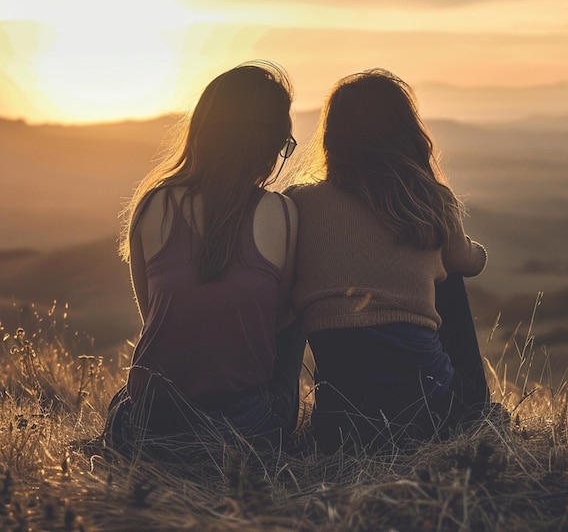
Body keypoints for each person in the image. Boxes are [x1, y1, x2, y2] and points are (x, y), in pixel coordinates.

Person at [102, 61, 304, 461]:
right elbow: (274, 321)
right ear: (268, 145)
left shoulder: (153, 205)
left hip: (146, 426)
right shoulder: (282, 214)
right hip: (247, 431)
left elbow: (153, 315)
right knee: (298, 316)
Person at [285, 69, 490, 453]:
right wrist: (454, 246)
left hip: (343, 425)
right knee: (448, 276)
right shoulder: (430, 201)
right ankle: (478, 413)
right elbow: (470, 261)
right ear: (407, 133)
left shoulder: (300, 202)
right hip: (432, 415)